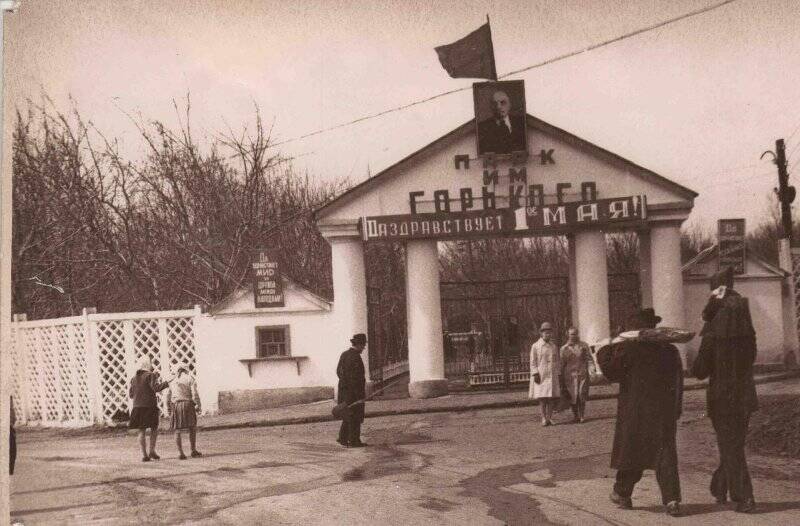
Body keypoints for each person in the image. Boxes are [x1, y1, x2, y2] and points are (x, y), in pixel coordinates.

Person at [597, 308, 683, 517]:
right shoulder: (670, 350)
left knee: (632, 450)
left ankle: (622, 494)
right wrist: (676, 409)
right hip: (663, 411)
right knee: (664, 453)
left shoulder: (628, 349)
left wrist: (606, 347)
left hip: (635, 411)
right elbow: (679, 382)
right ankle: (671, 500)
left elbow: (610, 371)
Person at [691, 266, 757, 513]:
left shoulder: (712, 331)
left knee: (730, 446)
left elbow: (699, 370)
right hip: (745, 395)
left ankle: (744, 496)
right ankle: (720, 485)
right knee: (734, 444)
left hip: (721, 397)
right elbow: (751, 357)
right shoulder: (748, 330)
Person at [129, 357, 171, 462]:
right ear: (147, 365)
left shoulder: (134, 378)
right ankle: (152, 450)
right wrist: (166, 383)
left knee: (141, 430)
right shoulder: (150, 375)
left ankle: (144, 455)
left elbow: (130, 394)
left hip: (137, 407)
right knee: (153, 428)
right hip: (149, 406)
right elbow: (156, 388)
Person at [336, 333, 367, 448]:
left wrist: (343, 384)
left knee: (348, 415)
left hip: (344, 391)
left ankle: (343, 438)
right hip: (354, 393)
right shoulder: (355, 357)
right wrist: (359, 395)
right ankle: (354, 441)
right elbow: (355, 378)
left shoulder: (344, 354)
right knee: (355, 417)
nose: (364, 348)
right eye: (363, 345)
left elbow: (338, 371)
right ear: (358, 344)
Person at [166, 364, 202, 460]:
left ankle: (180, 452)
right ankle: (193, 450)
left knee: (177, 429)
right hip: (188, 404)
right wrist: (198, 405)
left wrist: (168, 408)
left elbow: (168, 395)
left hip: (177, 405)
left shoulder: (172, 380)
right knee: (192, 428)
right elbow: (195, 393)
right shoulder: (190, 378)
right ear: (185, 370)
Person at [529, 322, 561, 426]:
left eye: (549, 333)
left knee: (551, 397)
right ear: (541, 333)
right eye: (546, 333)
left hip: (551, 373)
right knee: (542, 398)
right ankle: (543, 418)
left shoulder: (553, 346)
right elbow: (532, 362)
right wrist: (535, 374)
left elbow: (556, 361)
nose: (548, 335)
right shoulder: (536, 346)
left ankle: (549, 418)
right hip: (541, 374)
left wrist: (558, 373)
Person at [477, 89, 526, 154]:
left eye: (503, 102)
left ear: (509, 105)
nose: (498, 107)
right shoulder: (482, 128)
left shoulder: (521, 123)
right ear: (491, 107)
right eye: (495, 104)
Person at [560, 327, 593, 423]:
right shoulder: (564, 348)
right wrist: (561, 376)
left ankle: (582, 415)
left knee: (581, 394)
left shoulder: (584, 346)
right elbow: (562, 364)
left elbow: (589, 359)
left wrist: (592, 370)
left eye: (575, 334)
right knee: (573, 396)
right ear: (568, 335)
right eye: (571, 334)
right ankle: (576, 416)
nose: (573, 336)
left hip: (582, 373)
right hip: (569, 375)